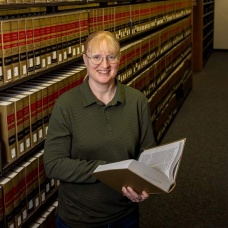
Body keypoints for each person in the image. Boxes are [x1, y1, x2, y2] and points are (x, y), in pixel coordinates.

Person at [44, 31, 156, 228]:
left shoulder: (137, 101)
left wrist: (143, 185)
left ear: (119, 59)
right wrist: (104, 170)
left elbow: (147, 154)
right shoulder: (66, 105)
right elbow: (54, 164)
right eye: (96, 57)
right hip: (78, 218)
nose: (104, 65)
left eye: (111, 57)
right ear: (85, 60)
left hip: (125, 215)